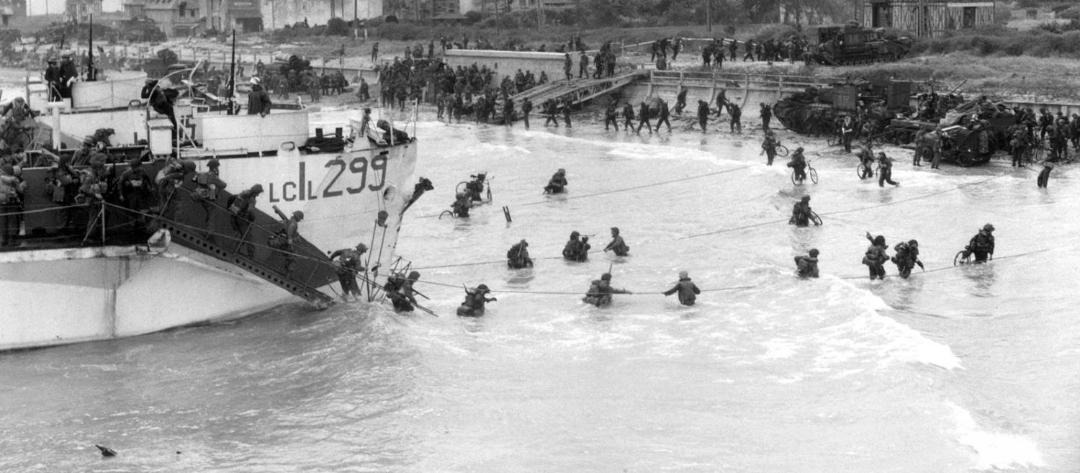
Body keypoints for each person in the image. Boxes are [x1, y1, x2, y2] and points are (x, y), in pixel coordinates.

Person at [191, 159, 226, 232]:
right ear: (215, 168)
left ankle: (207, 229)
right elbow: (223, 185)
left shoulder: (204, 174)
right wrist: (217, 175)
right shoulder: (214, 177)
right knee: (211, 215)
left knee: (208, 213)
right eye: (217, 167)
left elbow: (194, 180)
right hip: (209, 198)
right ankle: (210, 232)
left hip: (199, 196)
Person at [228, 184, 263, 256]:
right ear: (256, 192)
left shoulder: (244, 193)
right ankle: (251, 255)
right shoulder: (252, 199)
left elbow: (232, 198)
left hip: (234, 214)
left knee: (240, 234)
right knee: (248, 236)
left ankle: (234, 249)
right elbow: (250, 210)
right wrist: (252, 218)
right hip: (242, 218)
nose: (258, 195)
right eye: (258, 193)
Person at [272, 208, 304, 273]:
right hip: (282, 242)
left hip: (278, 240)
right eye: (300, 219)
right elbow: (289, 232)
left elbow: (283, 217)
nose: (300, 220)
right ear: (298, 217)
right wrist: (290, 243)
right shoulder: (294, 223)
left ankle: (286, 271)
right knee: (293, 257)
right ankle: (287, 273)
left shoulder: (290, 220)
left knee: (290, 256)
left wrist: (277, 211)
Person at [0, 164, 25, 247]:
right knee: (12, 221)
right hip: (11, 202)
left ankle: (3, 240)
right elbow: (20, 190)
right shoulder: (14, 180)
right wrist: (23, 185)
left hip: (1, 202)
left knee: (3, 221)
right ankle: (12, 240)